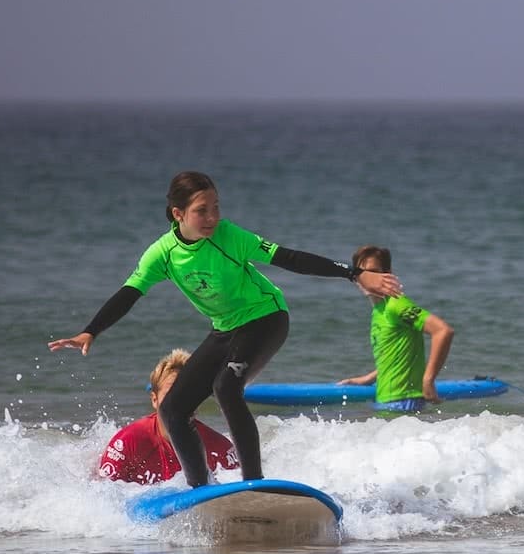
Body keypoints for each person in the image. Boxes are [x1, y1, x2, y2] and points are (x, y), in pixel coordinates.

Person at [49, 171, 402, 488]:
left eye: (216, 207)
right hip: (226, 329)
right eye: (202, 211)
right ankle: (201, 490)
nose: (213, 218)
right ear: (178, 214)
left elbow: (290, 258)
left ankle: (254, 483)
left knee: (226, 387)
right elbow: (130, 292)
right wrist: (91, 331)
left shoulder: (230, 236)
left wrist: (354, 274)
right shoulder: (163, 253)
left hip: (266, 318)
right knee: (172, 409)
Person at [337, 246, 456, 413]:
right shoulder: (379, 310)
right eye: (361, 272)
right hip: (386, 399)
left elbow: (442, 331)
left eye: (374, 271)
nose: (368, 278)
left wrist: (428, 380)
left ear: (388, 274)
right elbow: (396, 355)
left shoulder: (396, 305)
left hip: (404, 402)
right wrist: (368, 378)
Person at [97, 348, 240, 485]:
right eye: (170, 394)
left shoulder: (220, 448)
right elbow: (102, 491)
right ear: (154, 400)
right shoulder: (128, 443)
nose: (178, 401)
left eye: (187, 393)